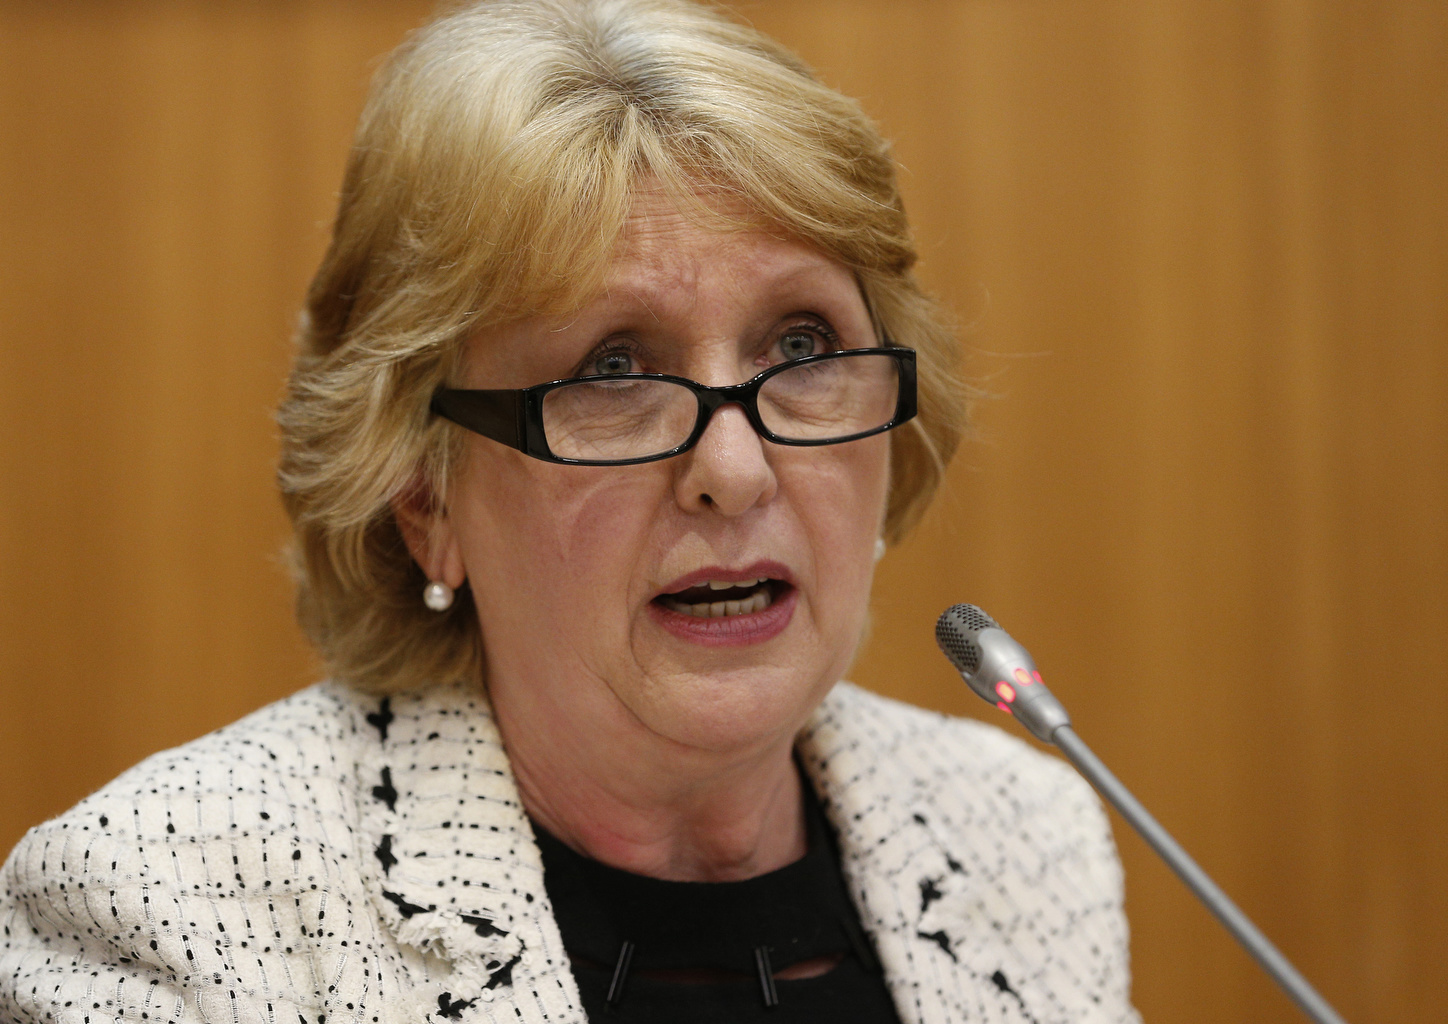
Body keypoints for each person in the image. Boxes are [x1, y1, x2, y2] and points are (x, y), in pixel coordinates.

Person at [0, 1, 1139, 1021]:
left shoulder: (1020, 842)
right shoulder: (168, 909)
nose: (734, 470)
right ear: (421, 490)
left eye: (802, 345)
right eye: (610, 370)